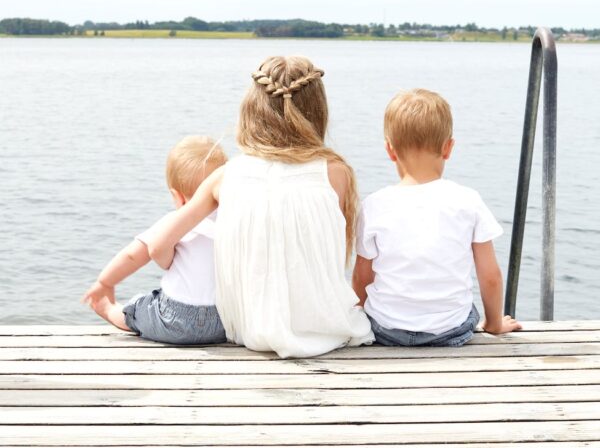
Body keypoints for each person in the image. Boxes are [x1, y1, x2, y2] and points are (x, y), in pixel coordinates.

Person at [145, 56, 374, 358]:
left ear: (251, 110)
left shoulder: (226, 175)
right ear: (319, 112)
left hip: (249, 329)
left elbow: (159, 244)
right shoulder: (335, 173)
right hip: (326, 329)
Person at [352, 89, 521, 347]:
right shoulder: (468, 200)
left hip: (387, 330)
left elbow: (362, 278)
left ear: (390, 150)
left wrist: (362, 320)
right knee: (469, 312)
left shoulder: (374, 205)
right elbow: (490, 276)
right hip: (449, 330)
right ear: (448, 148)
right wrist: (494, 323)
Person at [82, 136, 227, 345]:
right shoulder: (232, 223)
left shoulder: (172, 223)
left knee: (140, 310)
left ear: (177, 196)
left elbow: (133, 255)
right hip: (222, 322)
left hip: (174, 320)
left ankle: (109, 310)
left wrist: (105, 282)